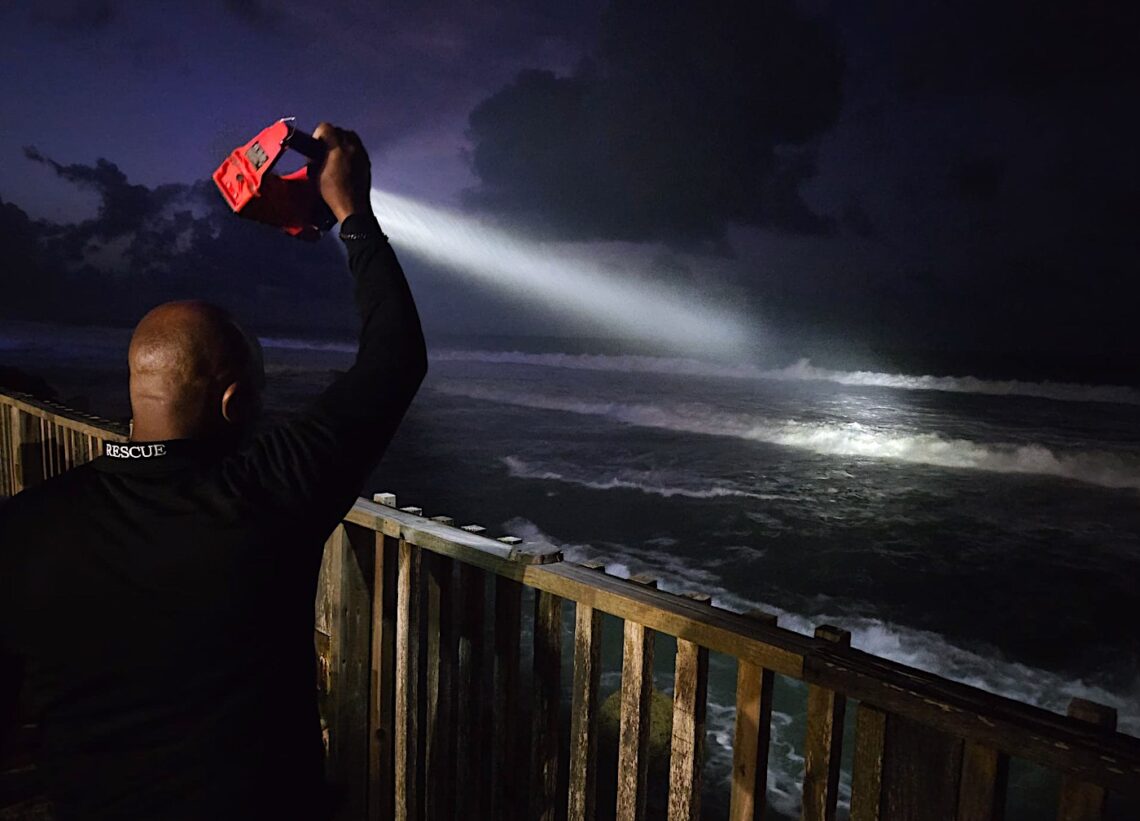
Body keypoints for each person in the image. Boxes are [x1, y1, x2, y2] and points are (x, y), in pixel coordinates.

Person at [0, 123, 427, 819]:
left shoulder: (22, 529)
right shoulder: (269, 492)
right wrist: (353, 212)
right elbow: (394, 358)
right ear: (236, 403)